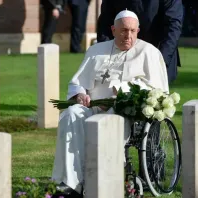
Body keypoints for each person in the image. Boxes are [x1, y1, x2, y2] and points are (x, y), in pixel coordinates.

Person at [51, 10, 169, 196]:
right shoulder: (96, 51)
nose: (127, 35)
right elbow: (77, 83)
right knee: (71, 114)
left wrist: (123, 91)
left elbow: (158, 91)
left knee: (110, 120)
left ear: (138, 30)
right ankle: (70, 183)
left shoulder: (149, 53)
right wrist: (80, 95)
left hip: (125, 114)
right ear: (113, 30)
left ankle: (101, 183)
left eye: (132, 31)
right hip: (92, 108)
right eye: (122, 30)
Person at [96, 0, 184, 84]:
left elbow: (173, 27)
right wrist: (106, 55)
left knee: (154, 97)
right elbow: (105, 23)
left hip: (158, 50)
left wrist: (161, 60)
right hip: (121, 54)